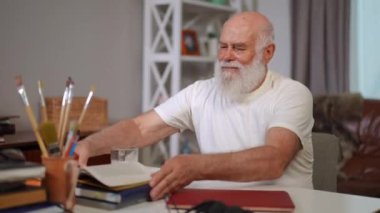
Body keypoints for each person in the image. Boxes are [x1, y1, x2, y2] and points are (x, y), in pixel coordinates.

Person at [75, 11, 314, 201]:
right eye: (223, 46)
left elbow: (273, 161)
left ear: (267, 53)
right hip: (215, 206)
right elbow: (141, 128)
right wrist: (90, 145)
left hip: (285, 207)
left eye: (239, 48)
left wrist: (196, 166)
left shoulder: (293, 94)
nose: (227, 56)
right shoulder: (200, 92)